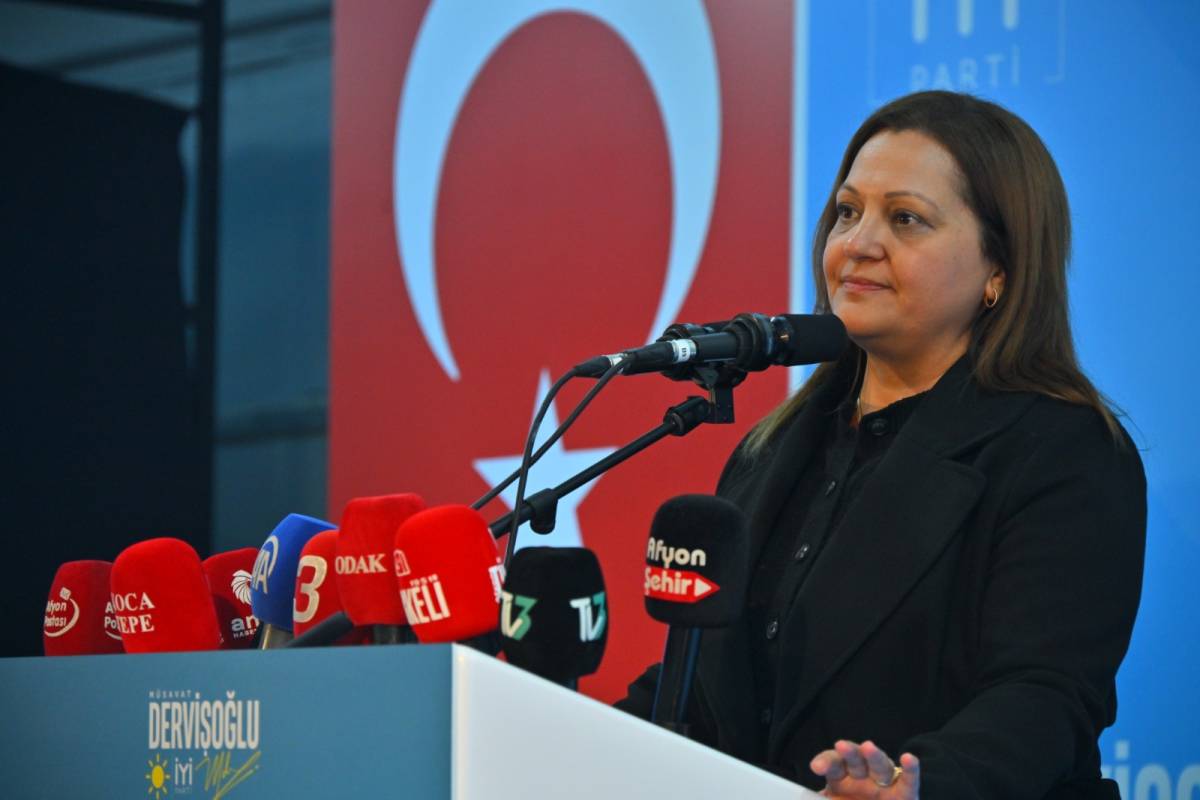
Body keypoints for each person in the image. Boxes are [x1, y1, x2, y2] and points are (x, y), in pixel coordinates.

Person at [616, 91, 1146, 800]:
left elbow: (1044, 697)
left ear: (1000, 268)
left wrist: (916, 785)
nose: (857, 244)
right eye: (847, 212)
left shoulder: (1064, 453)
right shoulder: (769, 452)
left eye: (905, 219)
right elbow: (702, 693)